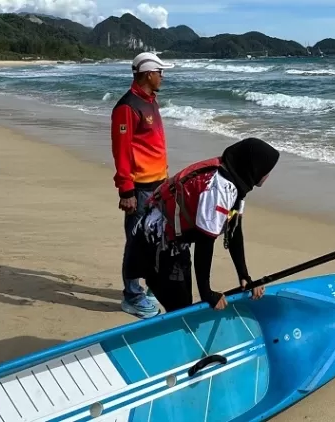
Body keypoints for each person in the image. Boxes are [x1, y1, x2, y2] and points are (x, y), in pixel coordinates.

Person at [125, 137, 280, 312]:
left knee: (182, 304)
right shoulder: (220, 188)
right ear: (254, 167)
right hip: (154, 240)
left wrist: (244, 276)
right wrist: (207, 293)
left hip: (173, 240)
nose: (267, 175)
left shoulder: (236, 181)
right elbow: (205, 242)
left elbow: (234, 231)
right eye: (267, 170)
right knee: (180, 308)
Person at [111, 51, 174, 318]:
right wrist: (126, 190)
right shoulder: (128, 107)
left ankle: (148, 286)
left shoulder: (151, 102)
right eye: (160, 72)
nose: (162, 76)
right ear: (148, 73)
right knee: (136, 241)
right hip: (139, 188)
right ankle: (132, 296)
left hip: (158, 184)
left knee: (155, 238)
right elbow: (121, 151)